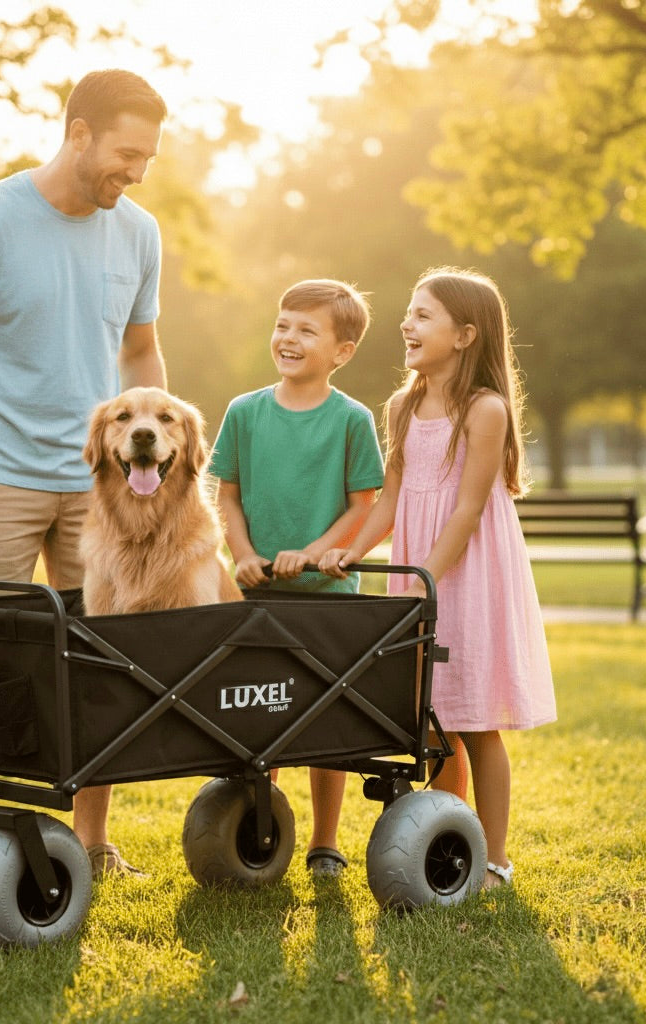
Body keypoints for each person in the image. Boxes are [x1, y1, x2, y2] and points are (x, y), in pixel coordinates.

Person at [0, 69, 169, 879]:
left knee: (102, 659)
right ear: (78, 133)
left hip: (101, 487)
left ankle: (91, 842)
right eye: (127, 152)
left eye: (149, 157)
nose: (138, 171)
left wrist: (150, 438)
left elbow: (140, 349)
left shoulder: (139, 231)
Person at [321, 266, 557, 890]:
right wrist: (351, 549)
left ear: (466, 335)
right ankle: (451, 839)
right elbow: (390, 501)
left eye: (424, 315)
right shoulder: (401, 406)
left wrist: (427, 572)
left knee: (476, 717)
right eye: (409, 311)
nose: (407, 323)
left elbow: (469, 509)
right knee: (431, 715)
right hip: (420, 574)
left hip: (469, 572)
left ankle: (496, 859)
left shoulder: (485, 410)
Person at [209, 279, 385, 879]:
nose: (288, 338)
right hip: (256, 593)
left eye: (307, 330)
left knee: (325, 718)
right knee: (258, 711)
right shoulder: (244, 412)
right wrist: (244, 553)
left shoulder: (352, 420)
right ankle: (259, 825)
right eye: (283, 324)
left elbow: (363, 506)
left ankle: (325, 842)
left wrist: (311, 553)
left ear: (342, 351)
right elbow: (226, 496)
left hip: (328, 598)